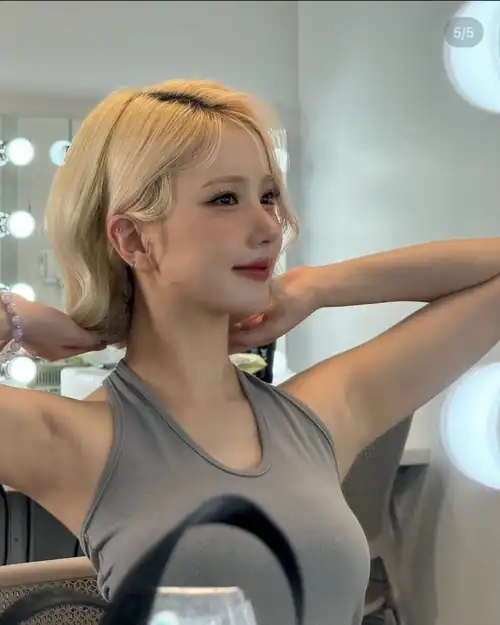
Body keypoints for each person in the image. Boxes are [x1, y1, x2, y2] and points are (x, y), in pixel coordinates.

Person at [1, 79, 500, 625]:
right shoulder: (69, 439)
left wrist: (316, 286)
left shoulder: (321, 414)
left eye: (267, 197)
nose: (268, 227)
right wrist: (16, 316)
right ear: (134, 240)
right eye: (224, 199)